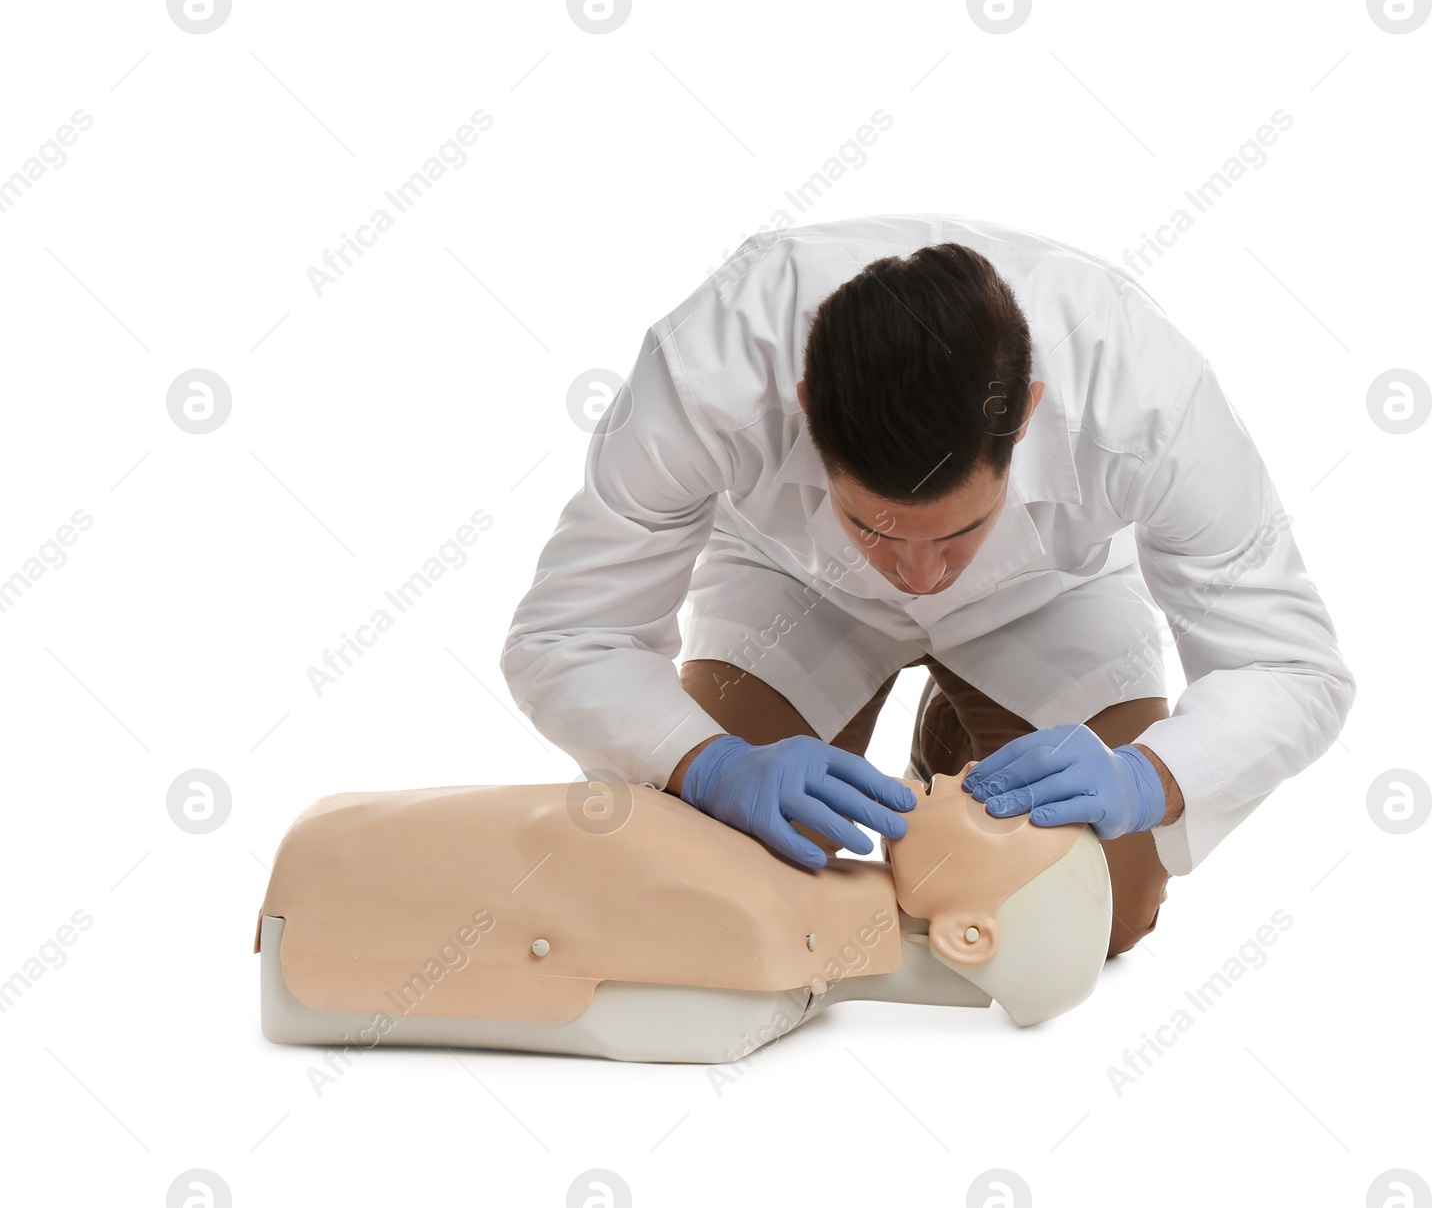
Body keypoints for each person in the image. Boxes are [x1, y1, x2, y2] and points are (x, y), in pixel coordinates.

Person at [501, 213, 1355, 957]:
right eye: (877, 526)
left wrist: (1148, 776)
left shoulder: (1145, 394)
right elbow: (570, 636)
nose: (919, 574)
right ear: (805, 407)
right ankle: (909, 683)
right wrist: (709, 763)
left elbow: (1291, 668)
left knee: (1098, 911)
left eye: (957, 530)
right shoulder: (705, 373)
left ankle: (953, 732)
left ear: (1024, 413)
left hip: (1049, 595)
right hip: (791, 584)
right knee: (711, 883)